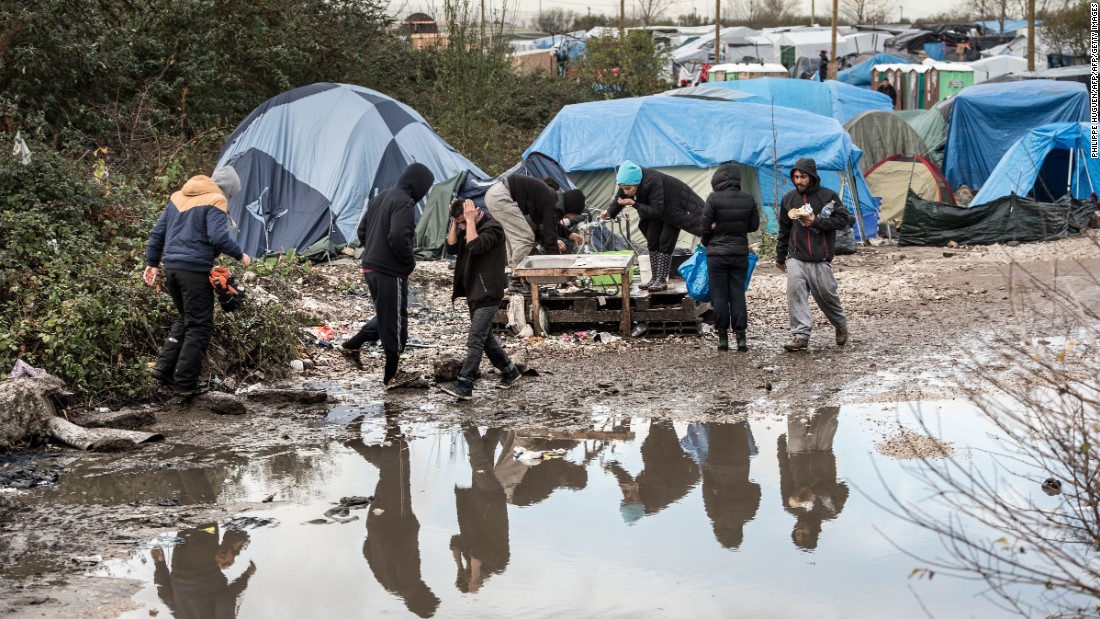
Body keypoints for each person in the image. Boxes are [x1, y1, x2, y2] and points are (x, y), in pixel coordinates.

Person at [144, 166, 251, 397]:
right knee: (200, 326)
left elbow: (157, 233)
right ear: (229, 189)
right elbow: (218, 236)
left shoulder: (178, 196)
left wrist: (152, 262)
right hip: (193, 271)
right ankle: (185, 384)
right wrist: (240, 255)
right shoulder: (216, 199)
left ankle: (163, 369)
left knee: (186, 318)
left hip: (171, 269)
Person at [339, 163, 434, 389]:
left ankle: (353, 344)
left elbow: (362, 232)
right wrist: (408, 262)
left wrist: (374, 248)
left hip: (370, 267)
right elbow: (399, 236)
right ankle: (391, 375)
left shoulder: (380, 198)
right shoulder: (405, 202)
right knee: (395, 320)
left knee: (387, 312)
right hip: (390, 270)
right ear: (419, 184)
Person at [438, 199, 522, 400]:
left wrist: (469, 220)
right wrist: (456, 221)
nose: (463, 227)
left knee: (475, 339)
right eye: (461, 224)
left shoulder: (493, 228)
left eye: (465, 222)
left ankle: (465, 384)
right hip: (473, 292)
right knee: (486, 339)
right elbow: (450, 247)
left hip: (489, 293)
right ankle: (510, 371)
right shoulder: (465, 227)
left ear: (475, 212)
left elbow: (475, 246)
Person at [775, 158, 852, 351]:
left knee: (827, 295)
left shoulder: (828, 196)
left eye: (802, 177)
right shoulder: (788, 200)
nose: (798, 181)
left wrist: (816, 222)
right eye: (795, 177)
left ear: (812, 177)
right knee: (795, 294)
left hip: (820, 257)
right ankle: (800, 335)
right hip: (796, 257)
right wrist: (780, 256)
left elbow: (844, 220)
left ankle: (840, 323)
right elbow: (784, 230)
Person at [599, 161, 706, 292]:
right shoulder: (628, 181)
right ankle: (654, 277)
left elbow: (657, 211)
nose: (625, 191)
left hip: (673, 206)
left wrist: (634, 203)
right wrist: (609, 213)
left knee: (665, 242)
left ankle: (662, 280)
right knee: (652, 239)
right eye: (623, 188)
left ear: (637, 183)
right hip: (656, 207)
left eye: (628, 188)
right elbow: (618, 199)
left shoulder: (653, 180)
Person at [483, 173, 586, 291]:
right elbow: (550, 239)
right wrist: (559, 271)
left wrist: (569, 234)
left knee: (515, 238)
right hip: (502, 197)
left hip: (496, 194)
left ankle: (516, 277)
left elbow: (548, 225)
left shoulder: (551, 199)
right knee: (525, 238)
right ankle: (517, 279)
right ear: (571, 207)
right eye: (573, 214)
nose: (571, 217)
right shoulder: (552, 203)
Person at [701, 163, 760, 352]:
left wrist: (709, 238)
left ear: (718, 179)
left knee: (719, 295)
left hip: (716, 255)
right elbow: (753, 226)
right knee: (737, 293)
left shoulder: (713, 199)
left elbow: (704, 227)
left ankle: (723, 339)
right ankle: (741, 338)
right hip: (739, 253)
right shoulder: (748, 198)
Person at [151, 524, 256, 619]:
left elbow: (225, 599)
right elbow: (165, 595)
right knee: (186, 520)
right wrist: (159, 564)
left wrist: (246, 577)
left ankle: (229, 548)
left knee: (205, 516)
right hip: (179, 561)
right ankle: (229, 548)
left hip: (203, 561)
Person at [778, 407, 848, 551]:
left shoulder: (791, 507)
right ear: (814, 532)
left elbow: (785, 477)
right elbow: (843, 489)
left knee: (796, 408)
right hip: (823, 451)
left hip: (797, 453)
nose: (800, 529)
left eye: (797, 532)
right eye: (804, 533)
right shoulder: (830, 511)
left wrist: (781, 451)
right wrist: (816, 492)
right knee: (829, 407)